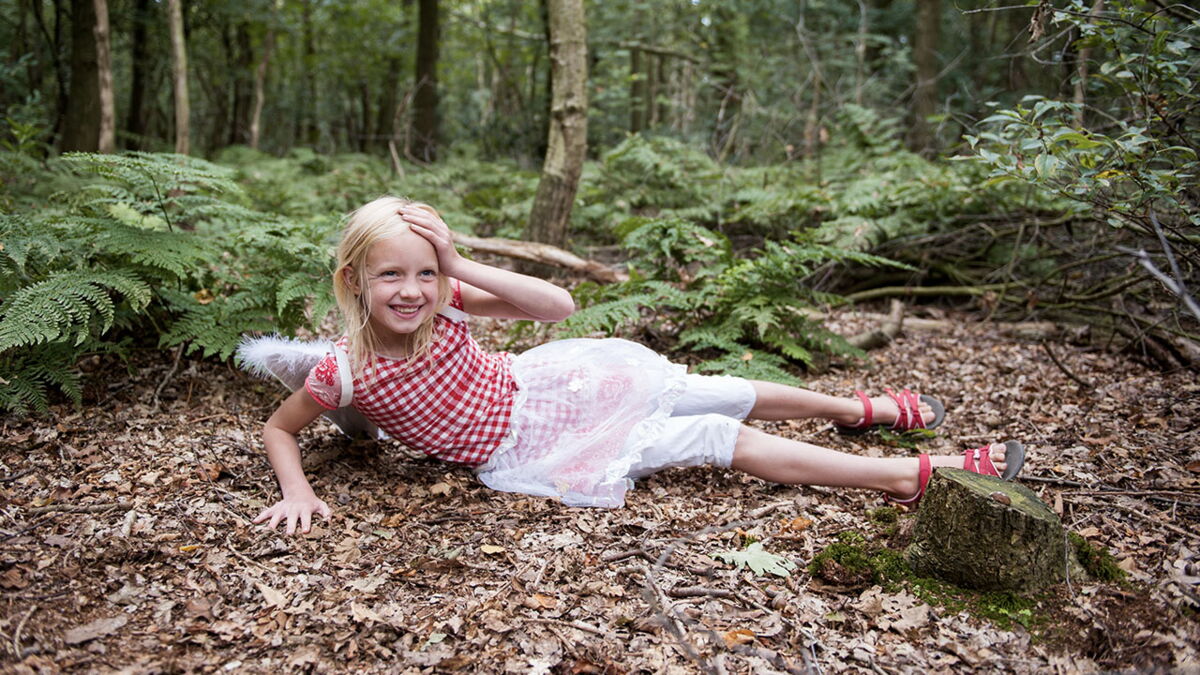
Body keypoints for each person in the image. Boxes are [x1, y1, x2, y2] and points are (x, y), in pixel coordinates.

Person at [240, 197, 1025, 535]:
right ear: (354, 281)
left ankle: (858, 411)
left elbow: (556, 307)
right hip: (533, 445)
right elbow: (280, 429)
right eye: (390, 275)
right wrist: (298, 491)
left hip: (547, 386)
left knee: (713, 388)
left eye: (423, 272)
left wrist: (458, 262)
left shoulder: (447, 300)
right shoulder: (345, 370)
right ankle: (907, 476)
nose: (410, 290)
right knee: (715, 437)